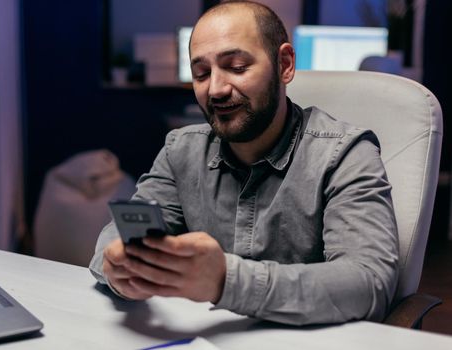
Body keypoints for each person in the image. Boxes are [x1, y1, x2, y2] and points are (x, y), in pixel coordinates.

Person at [89, 0, 399, 325]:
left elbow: (368, 284)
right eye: (201, 73)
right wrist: (118, 267)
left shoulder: (346, 154)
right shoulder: (181, 150)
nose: (216, 89)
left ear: (285, 64)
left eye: (237, 67)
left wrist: (226, 280)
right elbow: (115, 239)